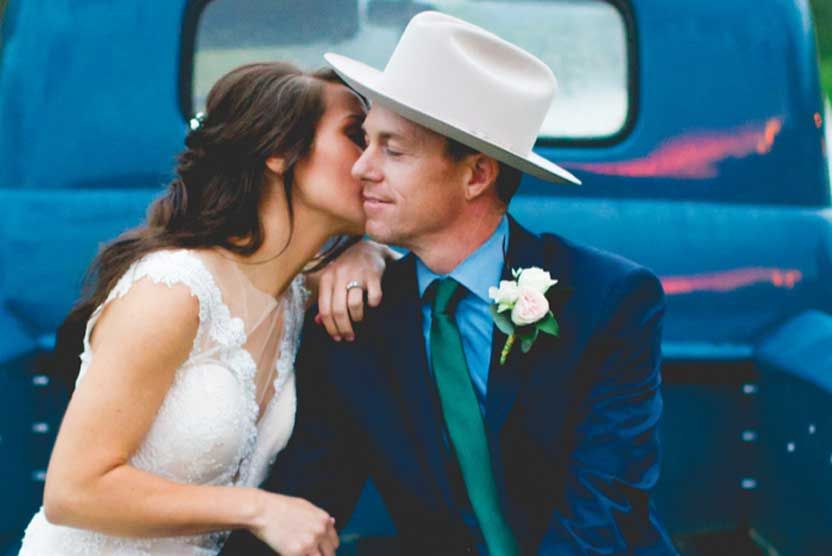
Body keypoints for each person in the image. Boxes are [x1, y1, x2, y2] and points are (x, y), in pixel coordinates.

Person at [221, 11, 677, 556]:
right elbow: (309, 498)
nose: (362, 169)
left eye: (393, 150)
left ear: (476, 175)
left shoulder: (607, 299)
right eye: (364, 141)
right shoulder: (356, 317)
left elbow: (604, 509)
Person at [18, 61, 398, 556]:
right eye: (355, 137)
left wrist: (368, 252)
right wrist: (258, 509)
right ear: (279, 152)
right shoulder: (174, 290)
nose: (371, 163)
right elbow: (73, 491)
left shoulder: (293, 295)